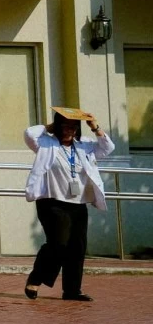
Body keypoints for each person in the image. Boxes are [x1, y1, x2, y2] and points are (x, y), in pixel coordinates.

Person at [23, 110, 115, 302]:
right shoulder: (45, 144)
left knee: (77, 247)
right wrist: (52, 126)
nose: (69, 131)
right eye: (64, 127)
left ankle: (72, 290)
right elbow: (29, 133)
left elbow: (107, 147)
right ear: (57, 128)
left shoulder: (85, 146)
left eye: (73, 127)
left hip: (78, 203)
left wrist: (94, 125)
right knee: (59, 243)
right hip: (52, 201)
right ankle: (36, 278)